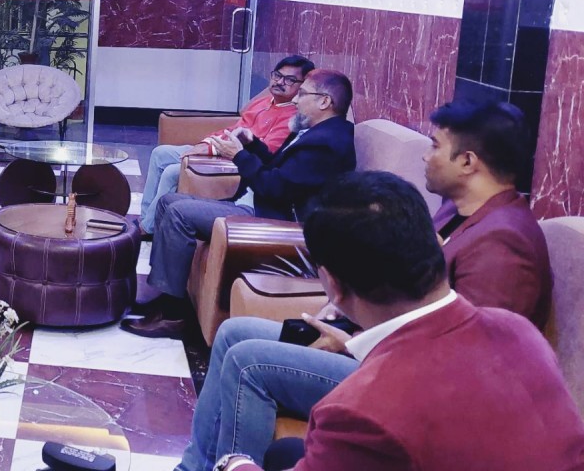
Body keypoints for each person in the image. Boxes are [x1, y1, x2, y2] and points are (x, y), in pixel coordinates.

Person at [177, 100, 554, 470]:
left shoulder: (503, 244)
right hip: (381, 343)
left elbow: (469, 364)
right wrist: (345, 313)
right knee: (234, 333)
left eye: (436, 146)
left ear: (468, 162)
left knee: (248, 362)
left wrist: (356, 344)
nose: (426, 157)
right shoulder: (455, 211)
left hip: (412, 380)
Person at [212, 171, 584, 471]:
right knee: (285, 452)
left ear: (333, 285)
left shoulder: (360, 411)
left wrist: (233, 462)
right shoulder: (518, 330)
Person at [123, 70, 356, 338]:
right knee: (167, 202)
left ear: (325, 101)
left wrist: (239, 156)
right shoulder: (315, 132)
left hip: (275, 221)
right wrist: (253, 145)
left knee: (178, 212)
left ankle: (174, 314)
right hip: (262, 205)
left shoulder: (327, 143)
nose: (295, 100)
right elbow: (278, 169)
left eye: (302, 94)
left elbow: (275, 188)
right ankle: (165, 297)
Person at [141, 55, 312, 227]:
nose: (280, 82)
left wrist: (213, 149)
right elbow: (232, 130)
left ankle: (148, 227)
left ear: (302, 87)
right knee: (160, 153)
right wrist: (207, 144)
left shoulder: (293, 118)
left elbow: (267, 151)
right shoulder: (262, 102)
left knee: (171, 172)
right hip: (222, 149)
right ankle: (144, 218)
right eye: (277, 75)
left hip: (238, 160)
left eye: (289, 80)